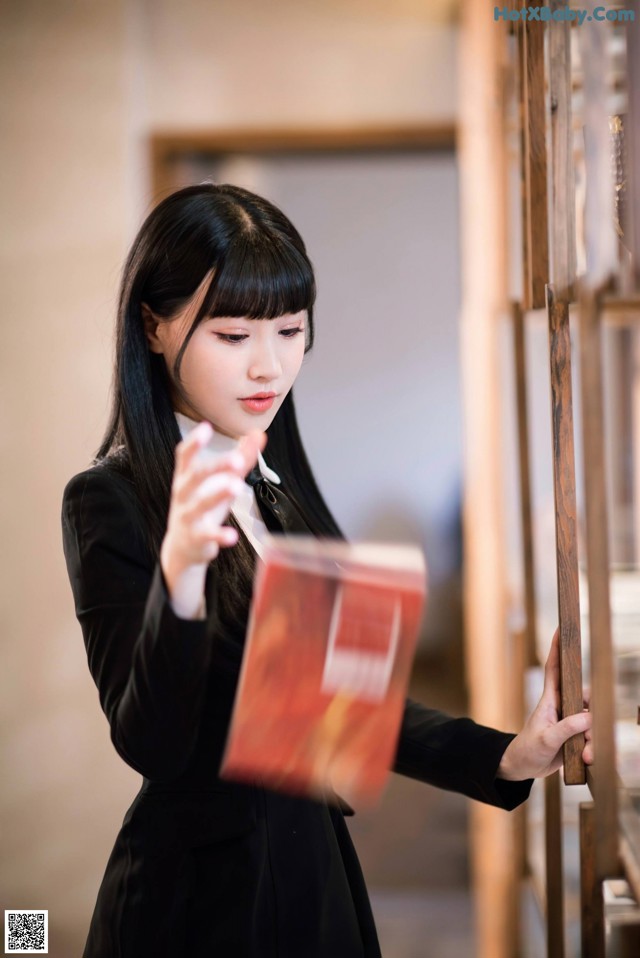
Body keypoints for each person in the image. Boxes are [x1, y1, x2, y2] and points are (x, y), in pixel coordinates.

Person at [61, 183, 592, 958]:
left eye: (290, 330)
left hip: (313, 877)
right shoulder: (108, 499)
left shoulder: (276, 484)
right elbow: (152, 744)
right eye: (233, 335)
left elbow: (333, 705)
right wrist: (179, 578)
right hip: (199, 903)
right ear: (153, 325)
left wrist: (508, 754)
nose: (268, 366)